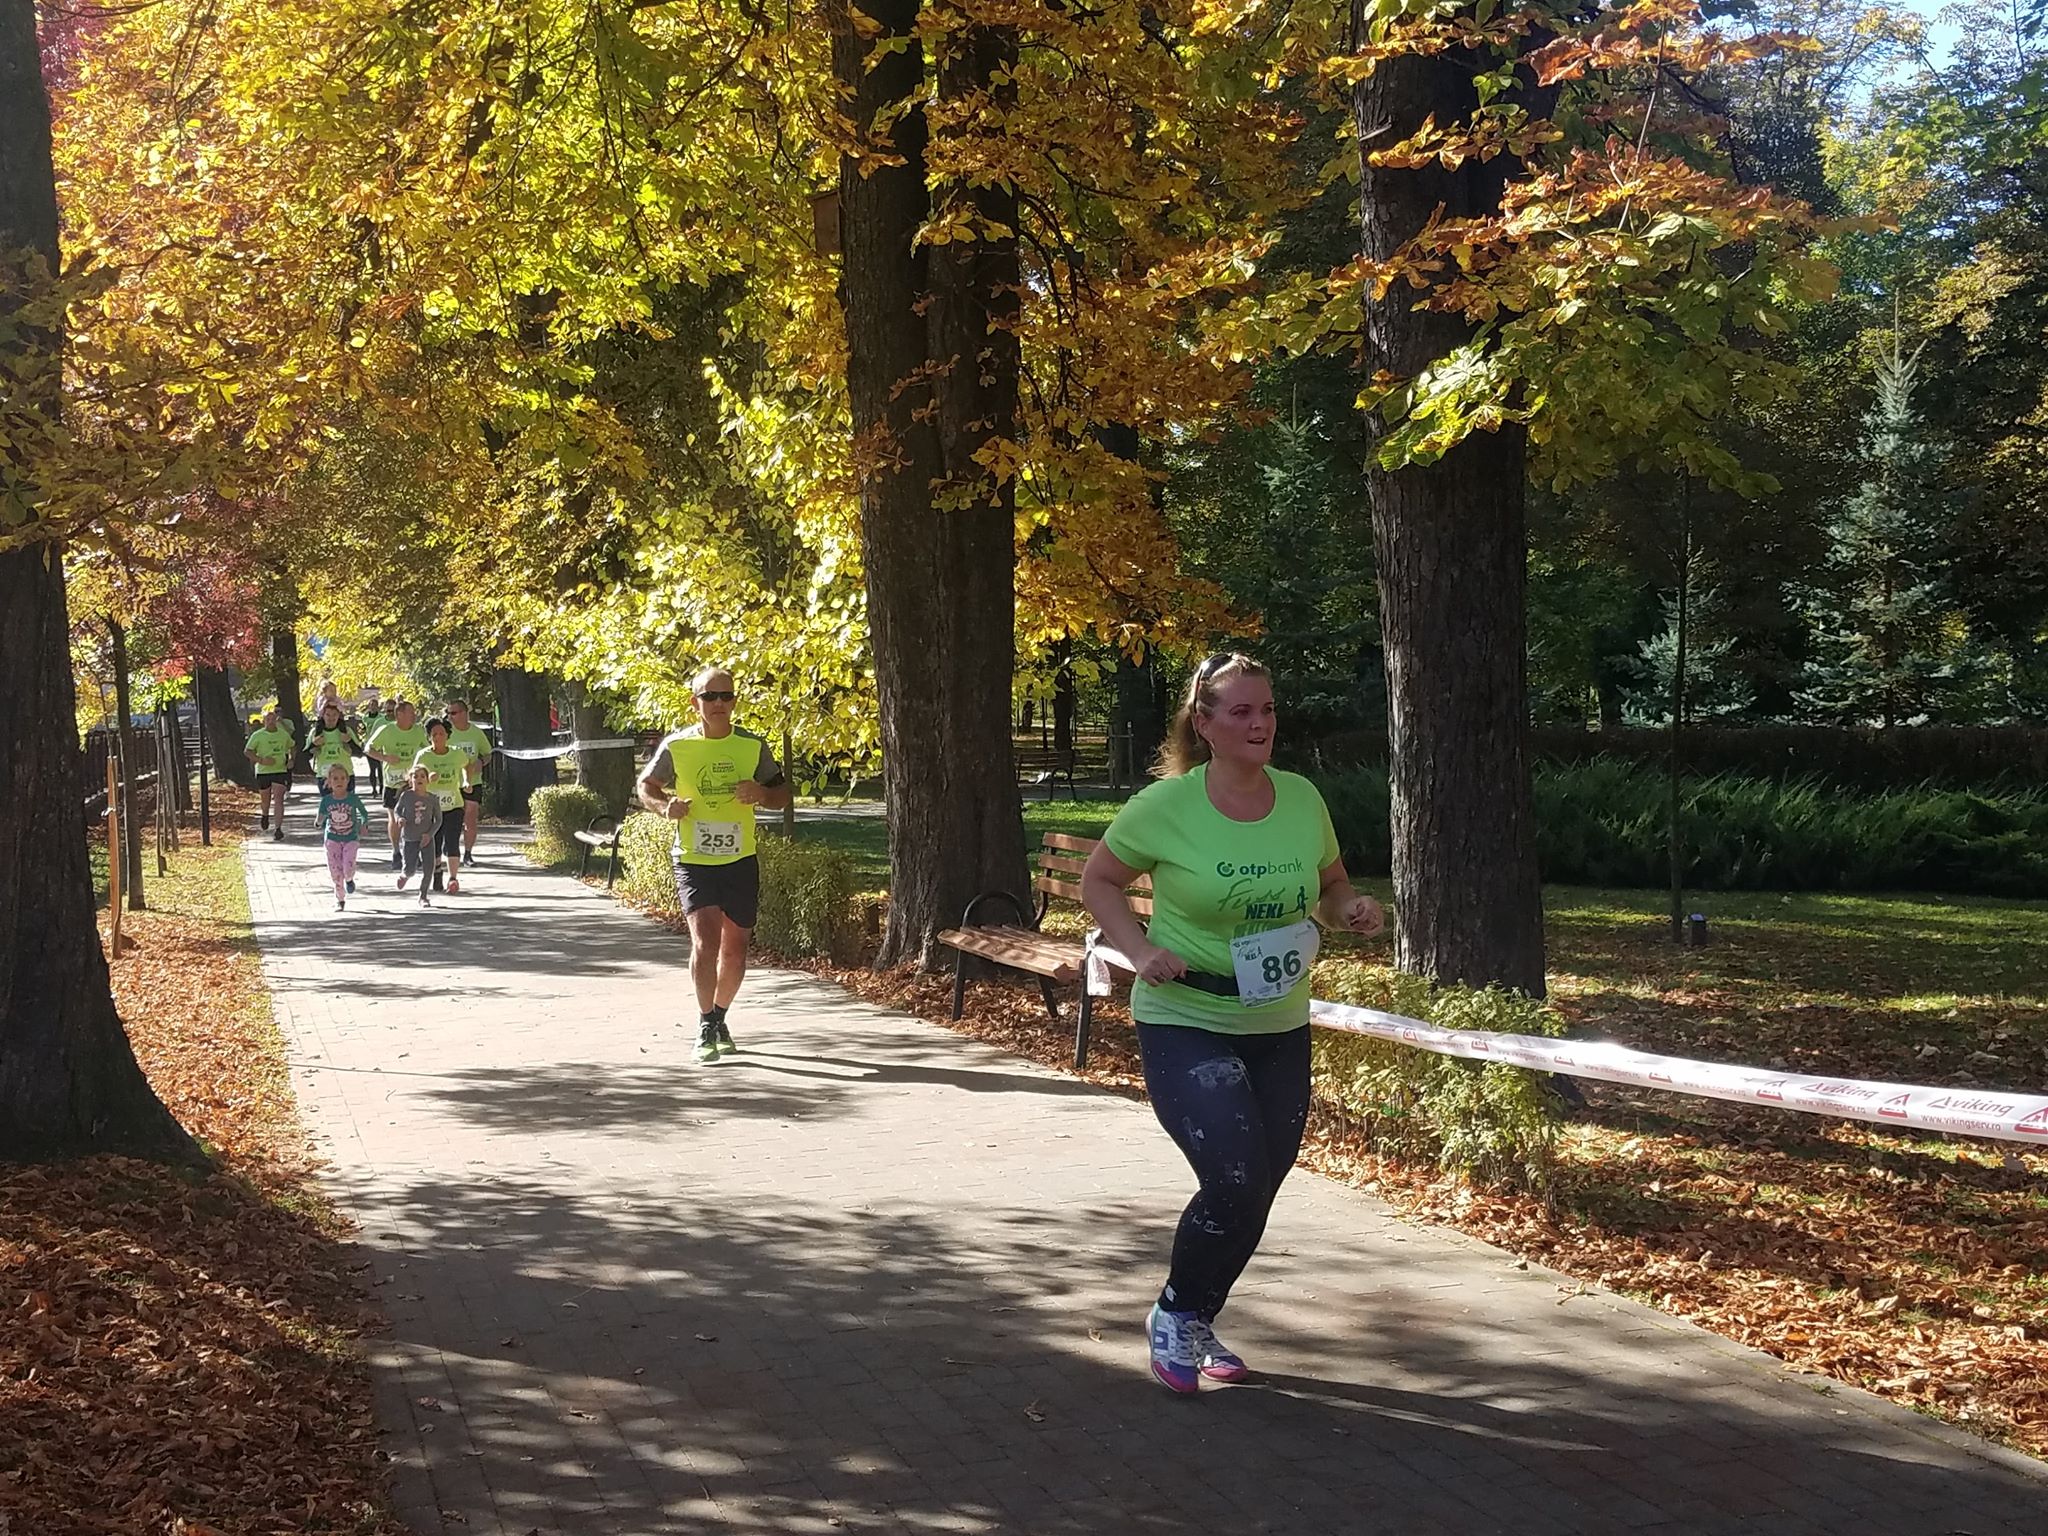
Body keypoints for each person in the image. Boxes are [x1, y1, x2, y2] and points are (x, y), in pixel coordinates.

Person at [1080, 652, 1385, 1395]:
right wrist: (1139, 948)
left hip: (1278, 1023)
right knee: (1235, 1174)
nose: (1260, 724)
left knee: (1259, 1185)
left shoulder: (1302, 798)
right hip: (1187, 1017)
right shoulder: (1167, 807)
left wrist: (1348, 908)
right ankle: (1174, 1312)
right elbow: (1100, 881)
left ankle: (1197, 1315)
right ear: (1205, 724)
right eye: (1241, 712)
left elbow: (1331, 881)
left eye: (1268, 710)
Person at [637, 666, 792, 1064]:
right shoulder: (678, 746)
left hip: (740, 859)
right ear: (696, 703)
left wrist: (760, 792)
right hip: (694, 858)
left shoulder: (752, 746)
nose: (718, 703)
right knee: (705, 944)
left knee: (736, 950)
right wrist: (664, 806)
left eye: (725, 696)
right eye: (709, 697)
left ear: (734, 702)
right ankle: (705, 1023)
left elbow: (782, 794)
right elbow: (646, 786)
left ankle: (720, 1017)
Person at [365, 699, 428, 871]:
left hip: (413, 783)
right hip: (392, 782)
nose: (414, 715)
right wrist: (386, 758)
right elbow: (368, 749)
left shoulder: (418, 731)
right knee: (394, 818)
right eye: (411, 712)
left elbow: (427, 750)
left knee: (416, 818)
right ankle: (396, 852)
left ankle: (414, 852)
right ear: (399, 714)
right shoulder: (386, 730)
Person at [411, 719, 469, 894]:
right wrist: (427, 779)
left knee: (452, 842)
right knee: (434, 843)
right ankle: (437, 872)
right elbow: (414, 779)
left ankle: (453, 879)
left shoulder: (457, 754)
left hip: (454, 806)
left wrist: (465, 780)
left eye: (441, 733)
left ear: (447, 735)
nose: (438, 737)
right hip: (431, 808)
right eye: (434, 734)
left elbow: (466, 766)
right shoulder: (424, 756)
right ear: (429, 737)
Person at [443, 700, 493, 867]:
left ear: (465, 713)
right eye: (448, 713)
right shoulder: (447, 733)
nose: (450, 717)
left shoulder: (476, 733)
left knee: (470, 816)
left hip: (473, 781)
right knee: (452, 819)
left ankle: (468, 853)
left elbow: (488, 753)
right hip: (450, 782)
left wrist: (481, 762)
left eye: (454, 713)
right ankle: (451, 847)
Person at [316, 764, 373, 910]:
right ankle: (340, 899)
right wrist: (318, 822)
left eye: (342, 778)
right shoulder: (326, 800)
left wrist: (363, 823)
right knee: (335, 871)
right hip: (332, 839)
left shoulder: (352, 799)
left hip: (350, 838)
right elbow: (321, 815)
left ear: (348, 780)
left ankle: (349, 879)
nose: (339, 781)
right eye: (335, 778)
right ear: (329, 781)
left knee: (347, 866)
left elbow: (363, 813)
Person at [391, 765, 444, 905]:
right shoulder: (406, 796)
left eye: (422, 776)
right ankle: (404, 875)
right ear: (410, 780)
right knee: (410, 869)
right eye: (415, 776)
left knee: (429, 868)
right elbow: (397, 811)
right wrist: (399, 819)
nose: (419, 779)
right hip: (409, 837)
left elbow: (438, 820)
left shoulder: (433, 799)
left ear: (427, 780)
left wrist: (430, 834)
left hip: (427, 839)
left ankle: (423, 896)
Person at [243, 706, 295, 841]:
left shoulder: (283, 734)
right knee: (265, 799)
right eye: (268, 719)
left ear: (277, 720)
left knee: (279, 799)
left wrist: (291, 759)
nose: (271, 721)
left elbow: (292, 746)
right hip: (263, 771)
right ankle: (265, 815)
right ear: (264, 721)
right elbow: (247, 751)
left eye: (273, 719)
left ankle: (278, 829)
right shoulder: (258, 735)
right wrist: (261, 760)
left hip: (280, 770)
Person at [306, 701, 363, 794]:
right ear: (323, 716)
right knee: (329, 807)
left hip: (345, 775)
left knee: (347, 806)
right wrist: (314, 744)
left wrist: (349, 741)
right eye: (328, 715)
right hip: (325, 776)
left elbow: (359, 753)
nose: (331, 718)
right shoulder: (315, 733)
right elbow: (305, 756)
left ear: (339, 716)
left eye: (334, 715)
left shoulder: (346, 731)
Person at [359, 697, 387, 795]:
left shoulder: (381, 717)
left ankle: (382, 787)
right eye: (371, 705)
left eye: (375, 705)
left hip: (379, 744)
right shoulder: (365, 718)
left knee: (380, 768)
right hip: (368, 743)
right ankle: (373, 788)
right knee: (372, 768)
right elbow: (362, 728)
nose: (373, 707)